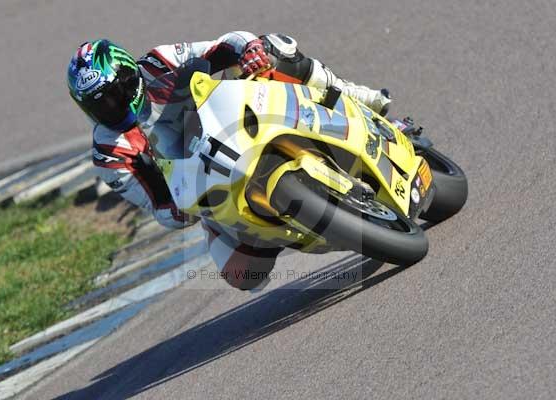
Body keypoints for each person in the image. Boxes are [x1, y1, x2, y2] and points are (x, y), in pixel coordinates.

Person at [67, 31, 392, 290]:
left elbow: (228, 43)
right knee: (244, 275)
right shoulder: (110, 154)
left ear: (129, 75)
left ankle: (356, 96)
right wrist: (180, 208)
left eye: (115, 94)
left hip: (236, 117)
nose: (113, 108)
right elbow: (159, 208)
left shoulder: (159, 63)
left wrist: (249, 51)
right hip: (208, 181)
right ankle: (299, 226)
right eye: (99, 106)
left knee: (273, 49)